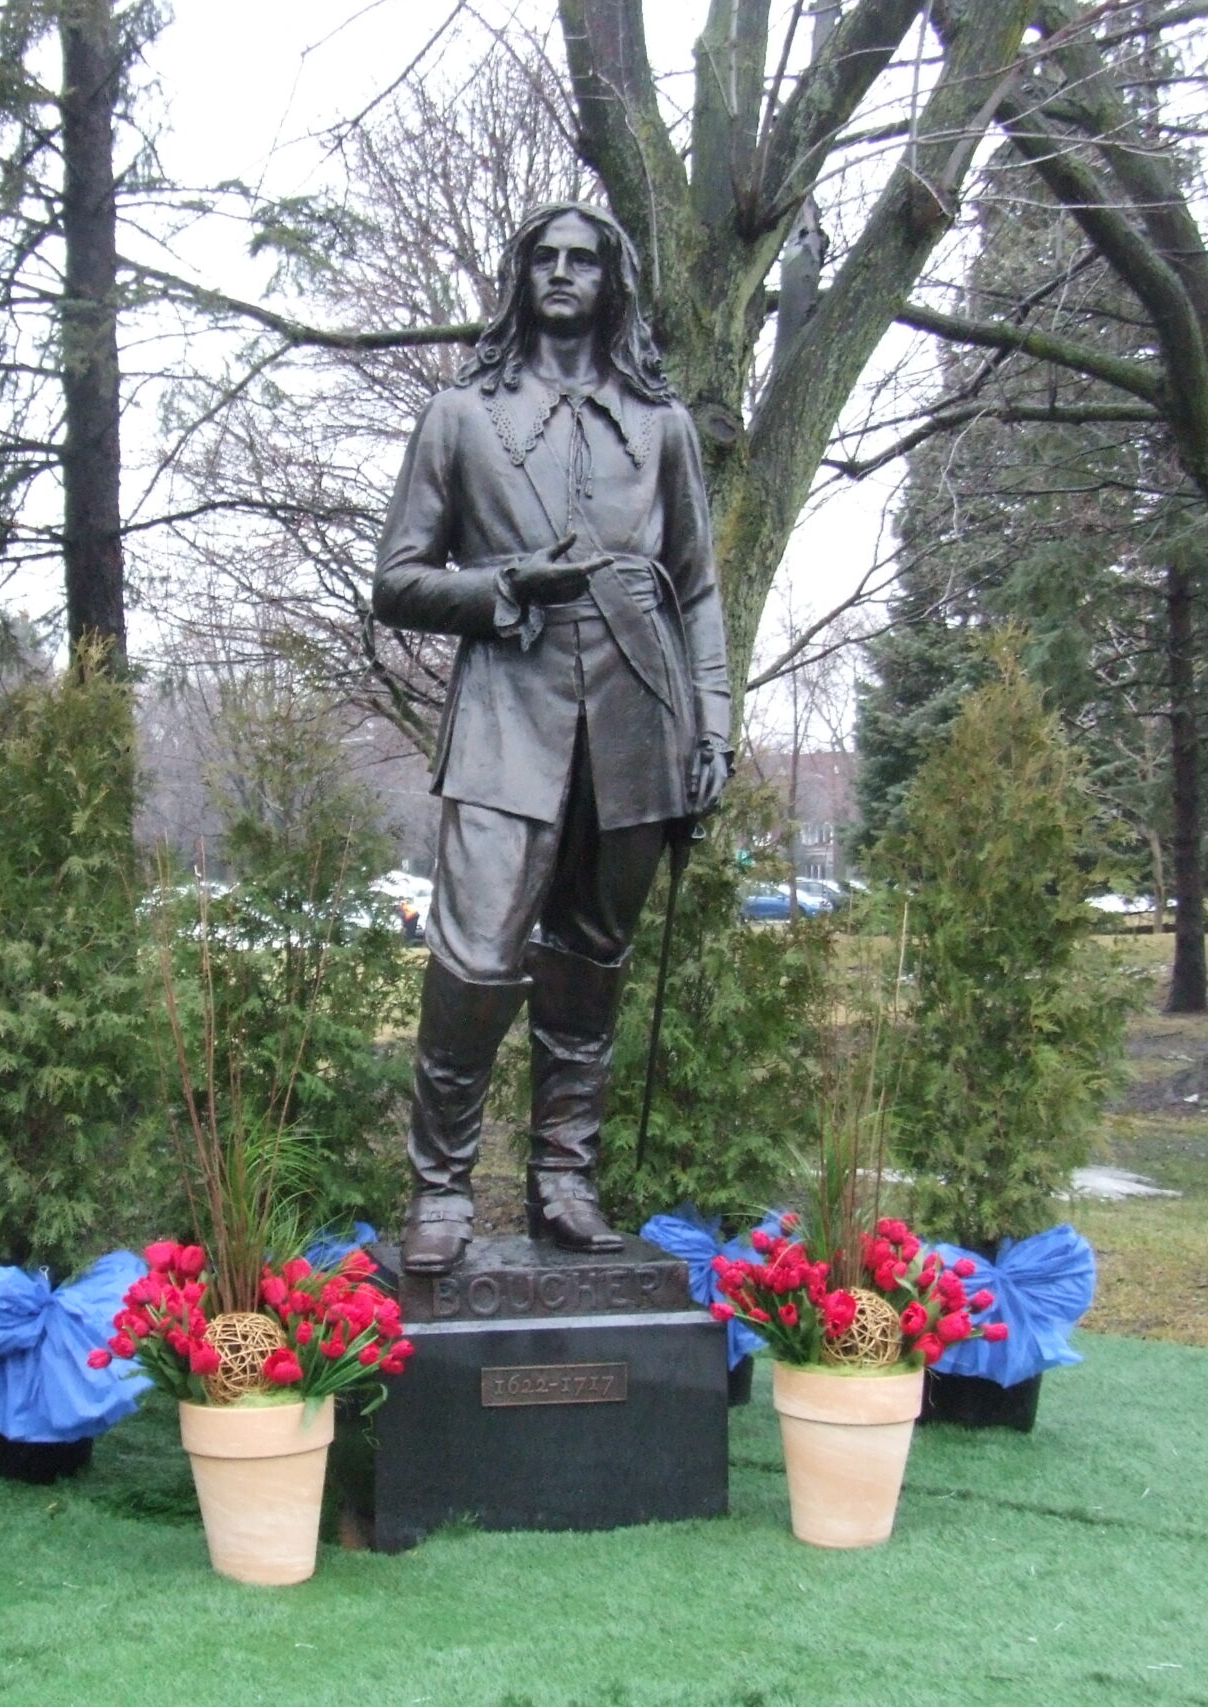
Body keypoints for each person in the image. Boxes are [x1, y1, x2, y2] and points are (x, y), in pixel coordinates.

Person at [373, 203, 731, 1275]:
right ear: (520, 276)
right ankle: (441, 1187)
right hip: (505, 717)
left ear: (613, 283)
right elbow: (397, 581)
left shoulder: (661, 426)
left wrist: (714, 721)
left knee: (590, 961)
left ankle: (564, 1183)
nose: (563, 272)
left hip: (639, 717)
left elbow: (698, 589)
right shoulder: (460, 416)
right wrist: (505, 587)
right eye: (545, 258)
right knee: (474, 961)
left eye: (584, 260)